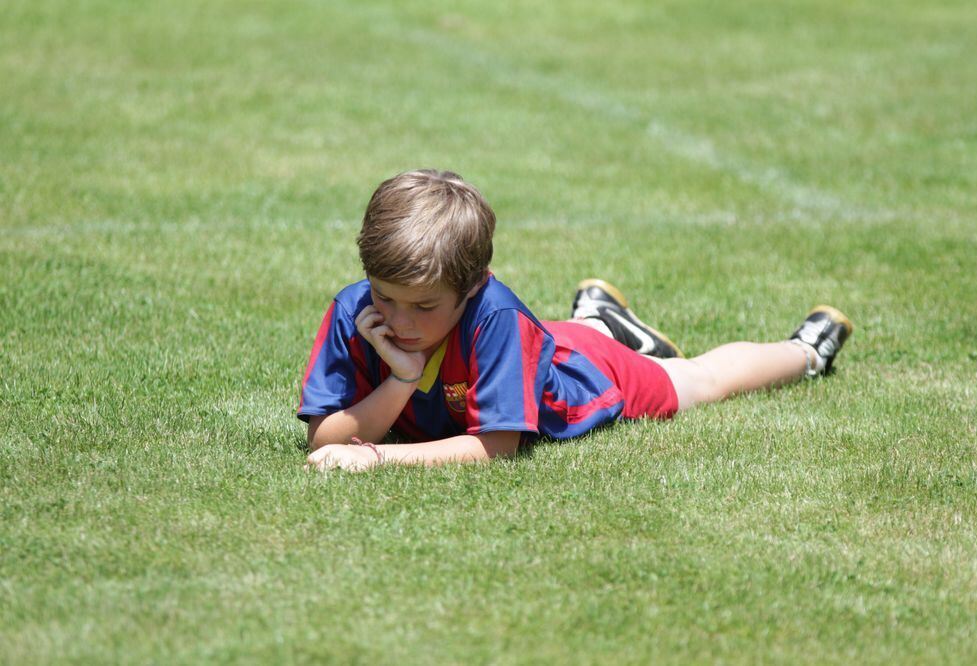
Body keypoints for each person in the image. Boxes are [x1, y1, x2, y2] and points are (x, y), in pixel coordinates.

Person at [299, 169, 853, 472]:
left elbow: (495, 448)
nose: (399, 320)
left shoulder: (496, 319)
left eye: (424, 307)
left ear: (474, 285)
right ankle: (599, 317)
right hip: (549, 344)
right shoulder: (354, 310)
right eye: (387, 297)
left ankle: (805, 350)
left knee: (700, 380)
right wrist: (400, 378)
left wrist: (374, 457)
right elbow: (323, 438)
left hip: (587, 374)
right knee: (570, 336)